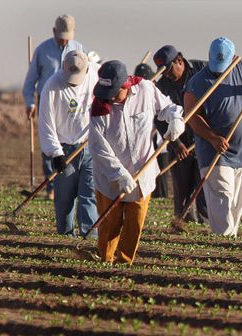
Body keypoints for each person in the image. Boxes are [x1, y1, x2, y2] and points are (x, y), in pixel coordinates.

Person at [89, 60, 185, 264]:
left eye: (115, 92)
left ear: (126, 85)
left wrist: (176, 119)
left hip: (142, 173)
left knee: (135, 222)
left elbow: (168, 107)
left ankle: (124, 262)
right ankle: (104, 262)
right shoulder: (99, 107)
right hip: (110, 177)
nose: (111, 97)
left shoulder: (146, 89)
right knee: (110, 223)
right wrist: (120, 174)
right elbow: (98, 147)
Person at [184, 37, 242, 236]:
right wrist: (213, 137)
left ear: (233, 57)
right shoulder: (197, 82)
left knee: (237, 203)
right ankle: (223, 240)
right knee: (222, 197)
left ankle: (230, 239)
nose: (219, 70)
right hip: (215, 151)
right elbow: (191, 116)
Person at [23, 15, 86, 200]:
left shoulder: (79, 49)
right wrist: (30, 103)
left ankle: (72, 184)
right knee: (50, 139)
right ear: (53, 32)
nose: (65, 40)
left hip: (72, 102)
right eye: (61, 36)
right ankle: (51, 186)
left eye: (68, 36)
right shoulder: (42, 51)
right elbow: (30, 82)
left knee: (71, 141)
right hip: (47, 100)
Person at [38, 50, 98, 237]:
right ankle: (66, 236)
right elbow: (46, 122)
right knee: (64, 198)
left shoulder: (96, 75)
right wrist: (56, 153)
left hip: (90, 145)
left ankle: (89, 236)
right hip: (65, 149)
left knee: (89, 195)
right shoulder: (52, 85)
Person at [153, 45, 209, 222]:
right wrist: (176, 144)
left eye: (169, 69)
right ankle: (183, 222)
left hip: (204, 139)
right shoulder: (161, 86)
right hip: (180, 143)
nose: (167, 74)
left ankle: (207, 223)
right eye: (163, 72)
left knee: (204, 187)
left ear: (179, 60)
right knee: (182, 188)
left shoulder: (202, 70)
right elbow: (159, 119)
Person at [134, 62, 168, 199]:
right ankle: (150, 194)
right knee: (146, 169)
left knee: (161, 169)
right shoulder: (136, 93)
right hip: (145, 139)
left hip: (160, 138)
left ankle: (162, 195)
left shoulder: (156, 89)